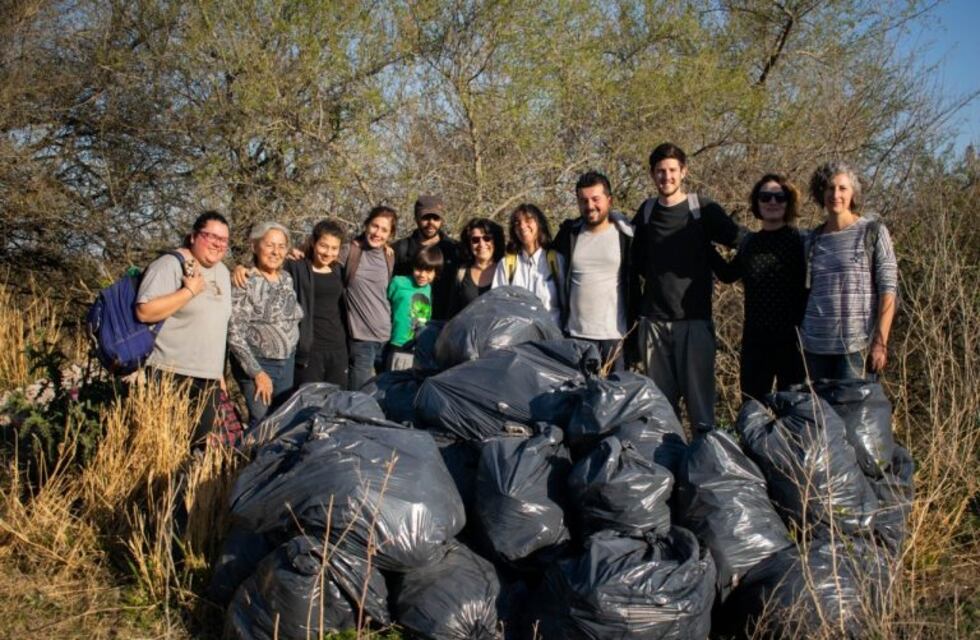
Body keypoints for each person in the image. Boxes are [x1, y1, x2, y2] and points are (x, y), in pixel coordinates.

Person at [631, 142, 741, 435]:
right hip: (653, 323)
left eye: (672, 170)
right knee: (660, 411)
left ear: (684, 172)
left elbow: (740, 239)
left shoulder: (701, 209)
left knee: (701, 411)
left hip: (694, 322)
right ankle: (670, 461)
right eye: (660, 171)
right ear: (652, 174)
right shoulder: (647, 211)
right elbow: (635, 260)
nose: (666, 177)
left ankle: (705, 460)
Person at [135, 211, 232, 445]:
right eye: (211, 236)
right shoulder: (169, 265)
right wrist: (188, 292)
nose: (218, 244)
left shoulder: (223, 272)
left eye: (223, 240)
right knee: (165, 446)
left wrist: (219, 375)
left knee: (198, 447)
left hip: (207, 378)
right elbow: (144, 311)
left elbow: (214, 326)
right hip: (169, 372)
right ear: (193, 236)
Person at [710, 174, 808, 401]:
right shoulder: (750, 243)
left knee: (792, 407)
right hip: (756, 340)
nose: (772, 202)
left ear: (788, 202)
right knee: (753, 406)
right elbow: (727, 275)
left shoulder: (801, 241)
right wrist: (705, 245)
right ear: (757, 202)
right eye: (765, 197)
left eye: (779, 197)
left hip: (793, 342)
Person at [801, 161, 898, 380]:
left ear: (853, 193)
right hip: (815, 348)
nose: (835, 194)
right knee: (818, 404)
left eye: (842, 188)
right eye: (830, 188)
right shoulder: (812, 239)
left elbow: (888, 289)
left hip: (856, 347)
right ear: (821, 193)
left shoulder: (872, 232)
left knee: (853, 404)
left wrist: (880, 342)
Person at [553, 171, 636, 371]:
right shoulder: (568, 235)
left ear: (609, 200)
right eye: (584, 200)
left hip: (614, 337)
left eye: (595, 199)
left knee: (614, 391)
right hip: (575, 336)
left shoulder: (626, 236)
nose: (590, 206)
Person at [227, 222, 304, 427]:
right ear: (255, 246)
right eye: (269, 245)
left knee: (281, 422)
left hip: (286, 363)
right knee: (262, 424)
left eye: (281, 246)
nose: (275, 252)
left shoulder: (286, 278)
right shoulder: (245, 281)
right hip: (259, 364)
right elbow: (234, 334)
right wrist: (257, 373)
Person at [287, 219, 350, 388]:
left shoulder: (339, 270)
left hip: (338, 348)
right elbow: (269, 267)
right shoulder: (297, 267)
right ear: (313, 243)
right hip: (310, 350)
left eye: (334, 248)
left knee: (337, 400)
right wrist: (244, 269)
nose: (328, 253)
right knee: (309, 399)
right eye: (324, 246)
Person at [343, 205, 397, 390]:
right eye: (375, 226)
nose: (377, 233)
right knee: (358, 395)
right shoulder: (349, 252)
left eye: (384, 230)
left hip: (386, 337)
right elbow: (321, 256)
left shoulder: (389, 256)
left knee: (384, 395)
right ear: (366, 225)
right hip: (361, 339)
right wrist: (298, 251)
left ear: (390, 234)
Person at [492, 203, 566, 326]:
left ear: (539, 224)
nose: (522, 226)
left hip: (550, 334)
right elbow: (497, 305)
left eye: (528, 220)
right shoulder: (506, 264)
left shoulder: (556, 261)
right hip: (516, 335)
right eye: (517, 223)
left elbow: (567, 303)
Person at [392, 195, 460, 320]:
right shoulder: (399, 249)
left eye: (436, 218)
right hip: (408, 326)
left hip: (445, 324)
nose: (431, 223)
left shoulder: (455, 250)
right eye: (425, 218)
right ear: (416, 218)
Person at [386, 246, 443, 371]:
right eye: (419, 269)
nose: (422, 275)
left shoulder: (429, 288)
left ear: (436, 272)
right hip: (399, 343)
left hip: (421, 346)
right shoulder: (398, 282)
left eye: (428, 271)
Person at [450, 218, 504, 315]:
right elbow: (453, 313)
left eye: (487, 238)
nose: (481, 244)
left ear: (495, 241)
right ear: (469, 244)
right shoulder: (461, 273)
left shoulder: (505, 271)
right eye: (475, 240)